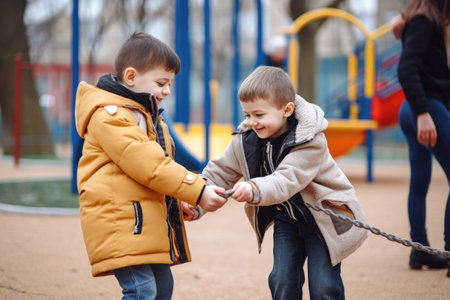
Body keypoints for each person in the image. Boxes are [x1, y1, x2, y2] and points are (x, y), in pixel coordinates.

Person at [184, 66, 368, 299]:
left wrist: (254, 188)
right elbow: (220, 170)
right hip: (288, 221)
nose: (252, 122)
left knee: (324, 286)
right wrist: (196, 198)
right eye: (247, 115)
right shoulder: (246, 140)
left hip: (324, 220)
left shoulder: (311, 142)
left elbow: (286, 179)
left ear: (287, 110)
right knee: (281, 280)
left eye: (259, 115)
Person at [74, 31, 227, 299]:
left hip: (140, 221)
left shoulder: (148, 117)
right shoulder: (111, 117)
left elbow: (153, 176)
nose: (166, 90)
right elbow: (149, 165)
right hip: (121, 221)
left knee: (162, 287)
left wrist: (177, 201)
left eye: (169, 84)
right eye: (161, 83)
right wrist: (197, 189)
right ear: (131, 77)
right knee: (141, 289)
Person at [395, 0, 450, 276]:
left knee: (419, 182)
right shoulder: (424, 22)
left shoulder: (416, 19)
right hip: (424, 108)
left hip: (418, 108)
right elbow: (406, 68)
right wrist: (423, 113)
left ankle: (420, 250)